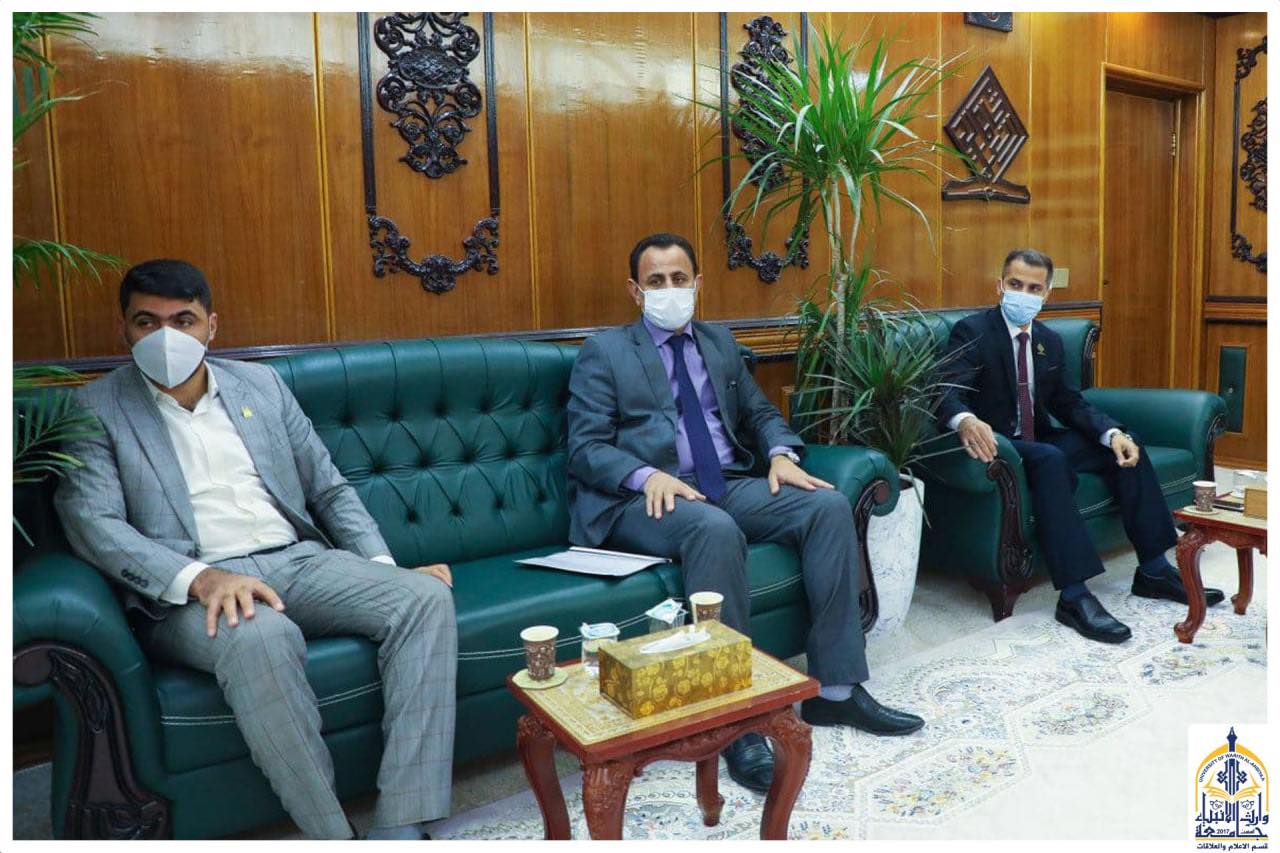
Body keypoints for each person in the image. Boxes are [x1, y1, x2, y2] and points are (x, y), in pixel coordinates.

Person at [54, 260, 457, 840]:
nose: (165, 337)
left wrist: (381, 569)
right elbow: (94, 523)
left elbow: (327, 487)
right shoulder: (95, 408)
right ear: (125, 330)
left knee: (423, 598)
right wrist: (202, 579)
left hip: (295, 560)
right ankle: (332, 834)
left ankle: (402, 821)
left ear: (211, 326)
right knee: (262, 636)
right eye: (147, 322)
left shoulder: (261, 386)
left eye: (183, 320)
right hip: (190, 590)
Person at [566, 233, 924, 796]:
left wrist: (780, 454)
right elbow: (585, 447)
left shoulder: (719, 342)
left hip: (724, 482)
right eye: (656, 281)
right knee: (714, 529)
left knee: (827, 506)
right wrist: (645, 474)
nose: (669, 289)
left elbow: (759, 413)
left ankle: (835, 692)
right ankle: (736, 720)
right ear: (635, 291)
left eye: (679, 279)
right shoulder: (605, 352)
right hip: (644, 498)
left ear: (697, 284)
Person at [937, 248, 1225, 643]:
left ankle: (1154, 570)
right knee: (1051, 459)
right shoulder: (972, 331)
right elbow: (945, 390)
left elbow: (1069, 403)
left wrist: (1112, 434)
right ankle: (1073, 596)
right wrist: (965, 420)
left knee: (1126, 445)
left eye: (1034, 288)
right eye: (1015, 284)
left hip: (1039, 437)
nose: (1023, 294)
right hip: (1000, 444)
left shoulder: (1048, 341)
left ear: (1046, 294)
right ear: (1000, 285)